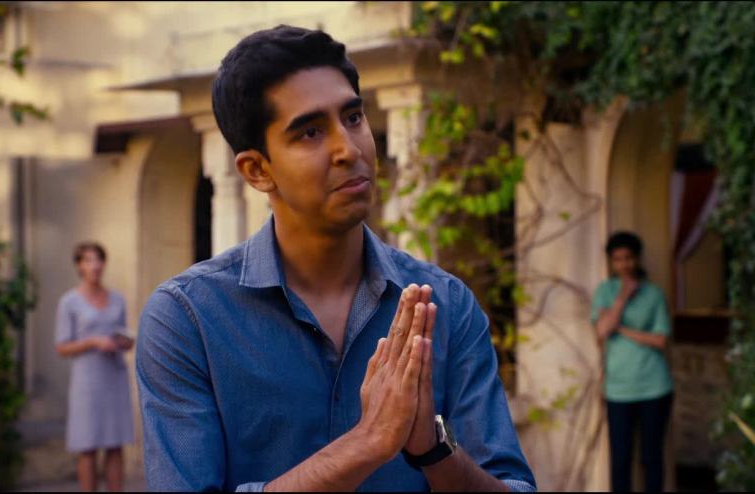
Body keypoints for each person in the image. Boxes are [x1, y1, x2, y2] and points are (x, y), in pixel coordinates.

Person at [136, 25, 535, 492]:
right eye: (310, 132)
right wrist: (367, 442)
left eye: (353, 117)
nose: (349, 149)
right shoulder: (188, 319)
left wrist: (432, 450)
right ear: (257, 170)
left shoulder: (444, 305)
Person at [592, 231, 673, 492]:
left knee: (651, 457)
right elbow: (602, 331)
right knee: (620, 459)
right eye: (617, 259)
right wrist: (623, 297)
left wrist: (621, 328)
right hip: (618, 390)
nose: (624, 264)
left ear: (637, 259)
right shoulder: (605, 292)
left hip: (654, 387)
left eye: (628, 258)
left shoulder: (654, 294)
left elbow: (660, 340)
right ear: (611, 262)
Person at [55, 242, 135, 492]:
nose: (95, 265)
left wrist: (124, 342)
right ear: (79, 266)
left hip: (115, 377)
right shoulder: (69, 302)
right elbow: (62, 347)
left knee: (115, 444)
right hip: (87, 382)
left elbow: (123, 335)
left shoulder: (117, 299)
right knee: (87, 445)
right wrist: (92, 341)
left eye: (98, 259)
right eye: (88, 260)